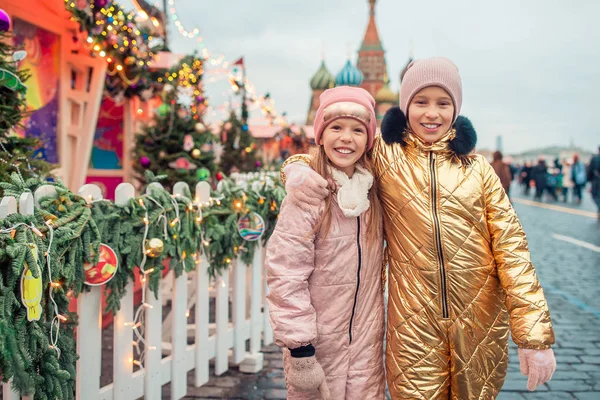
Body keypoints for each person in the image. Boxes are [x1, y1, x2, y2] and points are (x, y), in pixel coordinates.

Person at [281, 57, 556, 399]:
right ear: (405, 106)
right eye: (421, 102)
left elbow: (513, 252)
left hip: (479, 326)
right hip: (412, 326)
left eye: (443, 103)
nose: (431, 114)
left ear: (455, 110)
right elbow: (333, 151)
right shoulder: (385, 155)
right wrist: (294, 169)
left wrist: (533, 338)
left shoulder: (479, 170)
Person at [266, 86, 385, 399]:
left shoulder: (372, 193)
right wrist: (300, 347)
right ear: (320, 134)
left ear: (369, 139)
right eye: (336, 127)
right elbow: (286, 273)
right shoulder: (308, 197)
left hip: (365, 348)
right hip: (318, 347)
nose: (346, 138)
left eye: (358, 130)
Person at [588, 146, 600, 219]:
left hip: (596, 181)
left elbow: (590, 171)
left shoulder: (595, 159)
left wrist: (589, 180)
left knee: (595, 196)